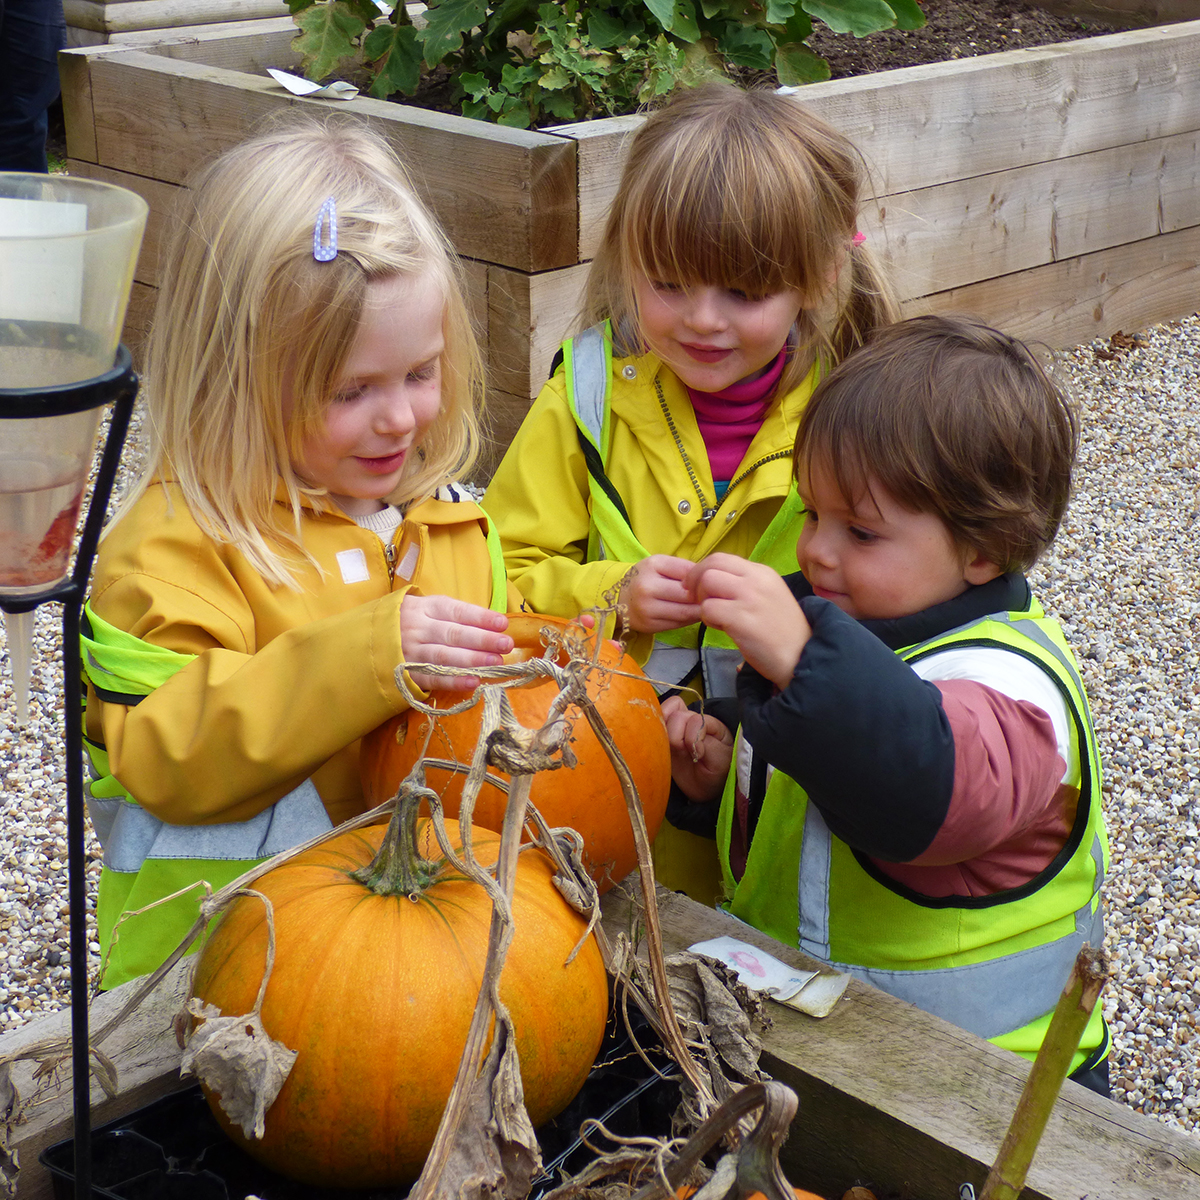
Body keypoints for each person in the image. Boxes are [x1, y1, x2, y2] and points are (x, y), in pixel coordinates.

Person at [82, 118, 525, 990]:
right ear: (234, 374)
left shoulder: (449, 525)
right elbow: (169, 754)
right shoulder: (171, 551)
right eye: (350, 391)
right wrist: (373, 653)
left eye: (420, 373)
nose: (399, 418)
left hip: (405, 960)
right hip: (212, 967)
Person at [668, 314, 1111, 1091]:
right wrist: (715, 782)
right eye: (811, 514)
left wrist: (802, 658)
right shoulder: (862, 635)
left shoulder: (1013, 686)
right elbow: (808, 826)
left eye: (861, 533)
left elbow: (919, 787)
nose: (814, 550)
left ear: (985, 549)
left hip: (994, 1093)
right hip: (839, 1064)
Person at [484, 82, 900, 900]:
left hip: (785, 801)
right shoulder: (589, 395)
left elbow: (907, 617)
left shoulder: (860, 414)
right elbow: (496, 574)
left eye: (743, 293)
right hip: (601, 794)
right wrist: (613, 596)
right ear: (628, 260)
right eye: (670, 284)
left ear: (816, 278)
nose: (703, 320)